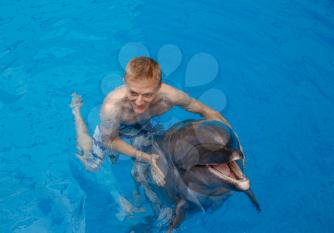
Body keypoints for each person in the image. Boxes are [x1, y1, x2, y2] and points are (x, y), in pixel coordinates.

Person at [70, 56, 231, 214]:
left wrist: (231, 140)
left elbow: (207, 111)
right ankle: (76, 112)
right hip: (112, 130)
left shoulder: (171, 97)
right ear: (125, 82)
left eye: (147, 94)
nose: (139, 101)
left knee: (145, 171)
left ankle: (136, 192)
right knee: (92, 165)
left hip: (143, 127)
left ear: (159, 86)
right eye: (133, 93)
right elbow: (110, 140)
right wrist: (144, 156)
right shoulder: (112, 106)